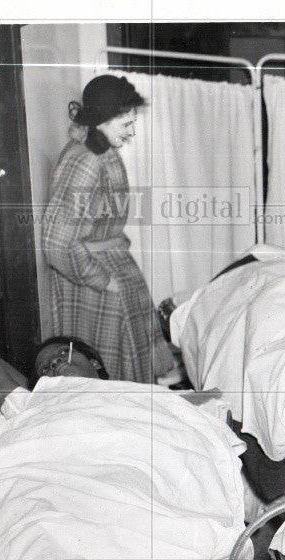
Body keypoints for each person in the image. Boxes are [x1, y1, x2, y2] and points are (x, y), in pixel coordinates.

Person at [42, 74, 176, 384]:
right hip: (93, 281)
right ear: (102, 120)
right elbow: (57, 242)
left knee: (123, 371)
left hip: (108, 266)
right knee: (113, 373)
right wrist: (103, 280)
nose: (132, 132)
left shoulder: (100, 151)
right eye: (125, 125)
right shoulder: (85, 161)